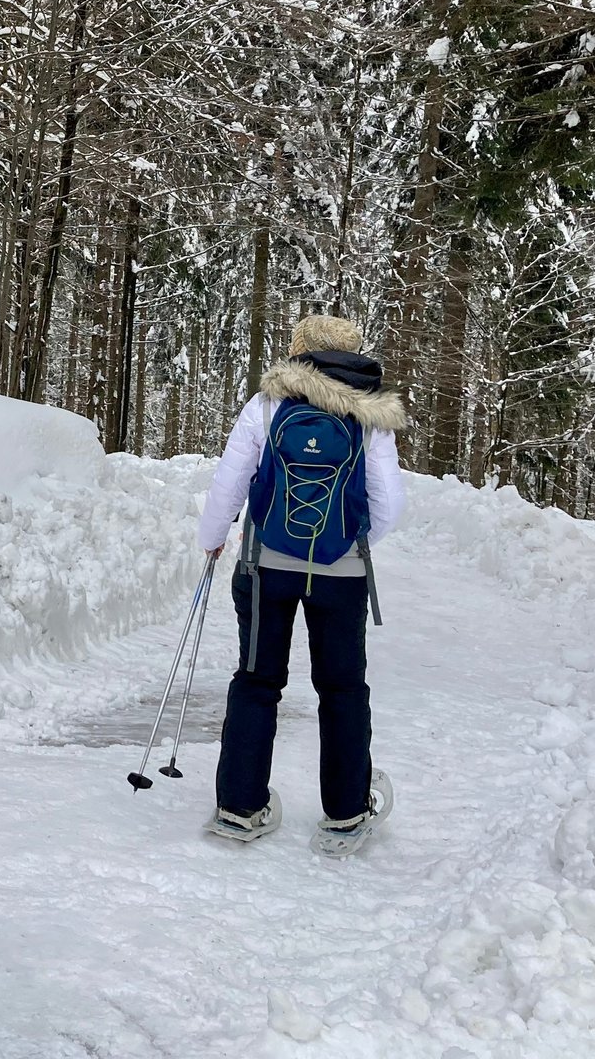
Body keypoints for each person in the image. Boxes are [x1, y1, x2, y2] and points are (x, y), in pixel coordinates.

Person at [194, 315, 407, 856]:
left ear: (300, 350)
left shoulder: (269, 402)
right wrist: (351, 546)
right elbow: (389, 505)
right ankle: (346, 814)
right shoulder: (371, 413)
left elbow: (231, 479)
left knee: (257, 681)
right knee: (341, 689)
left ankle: (239, 809)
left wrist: (214, 538)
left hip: (266, 564)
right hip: (342, 572)